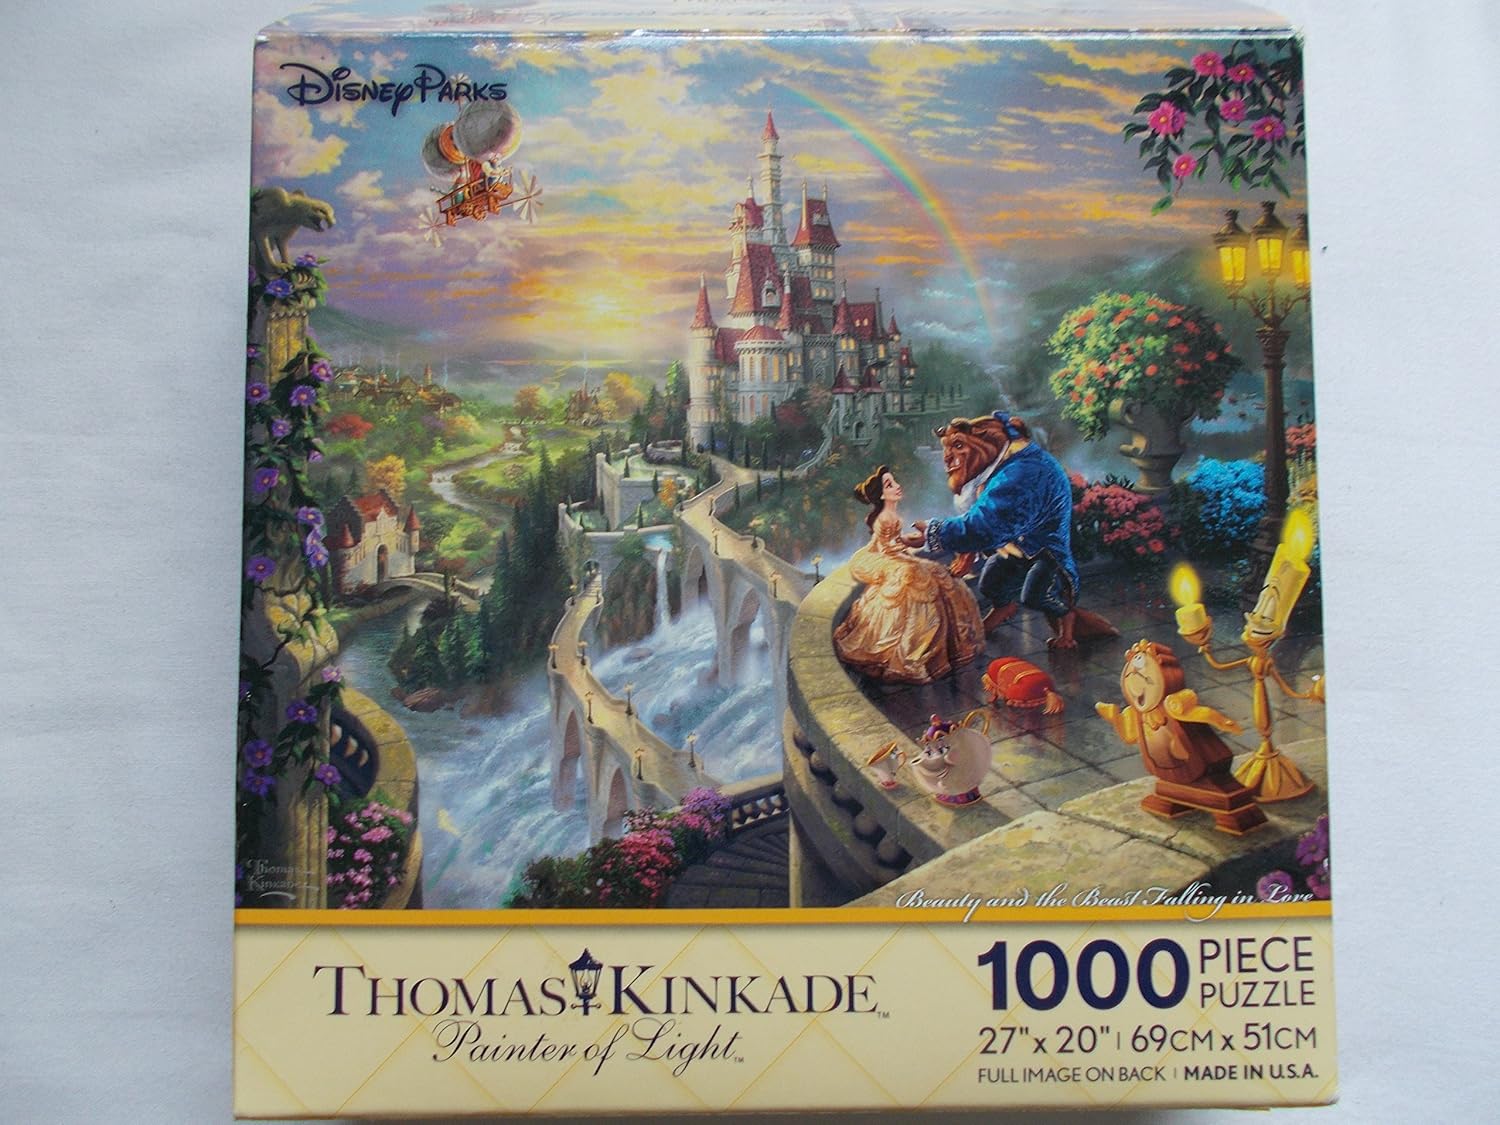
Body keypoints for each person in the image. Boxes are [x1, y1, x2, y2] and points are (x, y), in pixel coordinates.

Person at [918, 411, 1114, 649]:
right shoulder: (1010, 464)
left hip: (1046, 551)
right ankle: (1003, 609)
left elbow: (986, 526)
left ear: (987, 442)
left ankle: (1067, 623)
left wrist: (934, 532)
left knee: (1035, 596)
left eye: (958, 446)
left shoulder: (1022, 472)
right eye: (948, 448)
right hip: (1020, 545)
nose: (948, 457)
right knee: (990, 582)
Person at [834, 466, 984, 684]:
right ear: (882, 495)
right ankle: (912, 651)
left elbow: (895, 542)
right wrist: (905, 548)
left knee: (937, 573)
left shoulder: (892, 514)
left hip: (899, 556)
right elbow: (884, 546)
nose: (897, 486)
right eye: (890, 485)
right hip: (892, 559)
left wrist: (907, 543)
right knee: (917, 578)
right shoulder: (885, 517)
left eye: (894, 482)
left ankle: (940, 647)